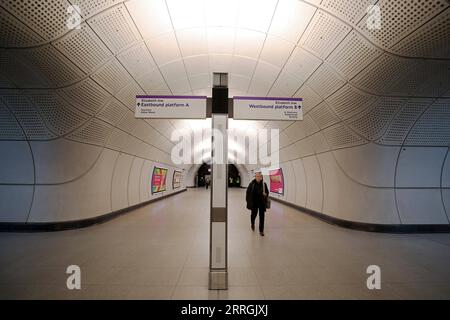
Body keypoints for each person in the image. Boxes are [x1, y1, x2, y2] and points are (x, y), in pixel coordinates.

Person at [246, 172, 269, 236]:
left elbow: (267, 192)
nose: (258, 178)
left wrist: (265, 194)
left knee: (262, 217)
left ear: (261, 177)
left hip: (261, 203)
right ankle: (252, 223)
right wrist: (248, 201)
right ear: (255, 177)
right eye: (257, 176)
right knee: (253, 215)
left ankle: (261, 230)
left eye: (259, 176)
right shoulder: (252, 184)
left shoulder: (264, 184)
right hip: (254, 203)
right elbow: (248, 193)